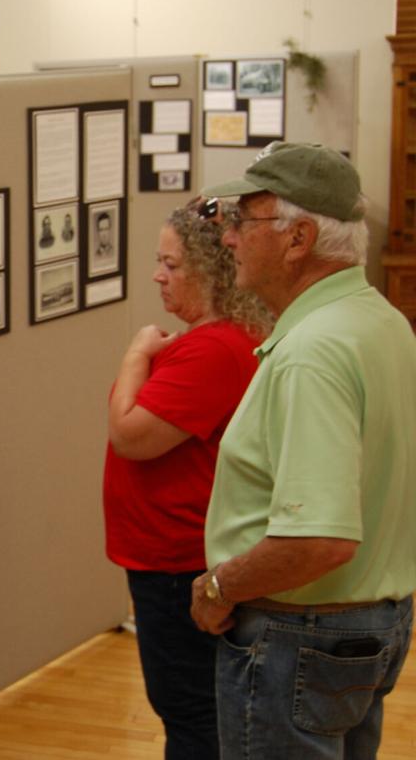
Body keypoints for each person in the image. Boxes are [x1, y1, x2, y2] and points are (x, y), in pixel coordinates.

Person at [190, 142, 416, 758]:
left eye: (244, 220)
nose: (228, 237)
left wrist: (218, 587)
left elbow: (318, 540)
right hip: (370, 624)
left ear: (298, 239)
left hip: (299, 640)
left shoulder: (313, 351)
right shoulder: (381, 320)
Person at [104, 201, 271, 759]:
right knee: (196, 710)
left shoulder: (212, 349)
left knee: (190, 713)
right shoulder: (222, 339)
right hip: (175, 557)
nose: (158, 275)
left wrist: (136, 354)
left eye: (171, 264)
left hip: (177, 563)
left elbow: (130, 435)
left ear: (211, 269)